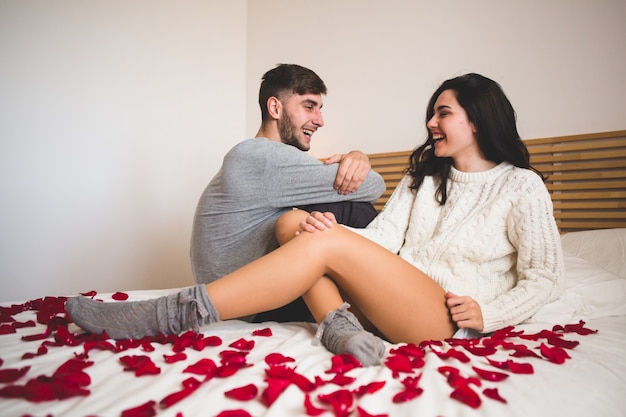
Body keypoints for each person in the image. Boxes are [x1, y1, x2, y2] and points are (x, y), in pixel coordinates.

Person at [66, 73, 564, 367]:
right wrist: (326, 231)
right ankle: (337, 325)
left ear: (477, 119)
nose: (431, 123)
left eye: (443, 113)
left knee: (313, 235)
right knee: (294, 225)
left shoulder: (520, 186)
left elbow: (544, 277)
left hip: (445, 316)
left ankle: (172, 314)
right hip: (385, 303)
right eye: (433, 114)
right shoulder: (420, 180)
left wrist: (490, 315)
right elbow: (385, 238)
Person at [190, 63, 386, 321]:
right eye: (308, 106)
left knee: (319, 216)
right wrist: (358, 159)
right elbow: (374, 186)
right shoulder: (266, 157)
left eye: (320, 109)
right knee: (351, 208)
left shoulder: (252, 155)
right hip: (250, 303)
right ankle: (396, 291)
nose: (319, 120)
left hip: (235, 295)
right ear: (275, 108)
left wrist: (354, 158)